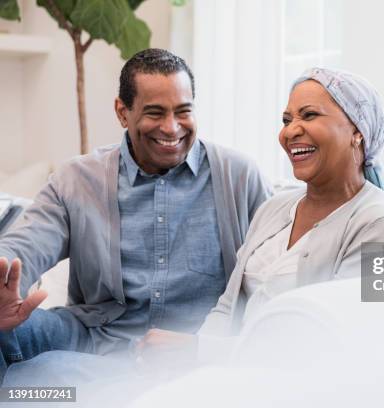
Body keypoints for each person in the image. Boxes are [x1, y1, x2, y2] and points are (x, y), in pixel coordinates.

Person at [0, 48, 271, 382]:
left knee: (43, 379)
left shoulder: (239, 176)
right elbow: (26, 244)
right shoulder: (78, 179)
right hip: (96, 339)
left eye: (183, 112)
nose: (171, 128)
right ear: (122, 112)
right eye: (155, 113)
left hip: (190, 352)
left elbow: (275, 268)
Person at [135, 67, 384, 360]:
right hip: (225, 377)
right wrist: (184, 363)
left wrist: (199, 352)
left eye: (309, 115)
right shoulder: (273, 208)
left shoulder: (380, 223)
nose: (290, 131)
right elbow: (226, 308)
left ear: (357, 131)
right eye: (286, 120)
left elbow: (333, 342)